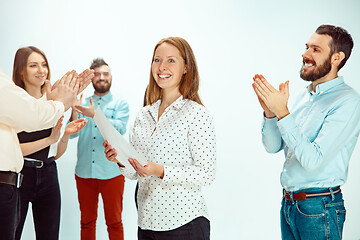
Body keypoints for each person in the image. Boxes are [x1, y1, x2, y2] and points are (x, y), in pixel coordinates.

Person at [252, 25, 360, 239]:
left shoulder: (347, 101)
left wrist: (283, 113)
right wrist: (270, 113)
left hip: (319, 208)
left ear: (337, 57)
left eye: (315, 49)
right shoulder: (304, 96)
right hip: (290, 205)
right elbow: (273, 147)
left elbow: (312, 160)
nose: (305, 54)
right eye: (306, 47)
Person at [103, 37, 216, 240]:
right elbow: (135, 173)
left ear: (186, 68)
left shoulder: (197, 114)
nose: (162, 67)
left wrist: (160, 171)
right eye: (157, 60)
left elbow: (206, 174)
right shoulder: (143, 115)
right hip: (147, 223)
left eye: (171, 60)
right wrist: (119, 158)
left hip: (184, 223)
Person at [0, 60, 92, 239]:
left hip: (48, 172)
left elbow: (54, 150)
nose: (41, 70)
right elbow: (32, 116)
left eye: (44, 64)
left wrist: (61, 134)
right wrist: (59, 103)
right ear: (21, 72)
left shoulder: (37, 106)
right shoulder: (20, 104)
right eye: (33, 65)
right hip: (20, 175)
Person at [70, 58, 129, 240]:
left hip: (112, 173)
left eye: (105, 73)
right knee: (86, 222)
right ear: (92, 78)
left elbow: (119, 129)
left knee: (114, 222)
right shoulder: (82, 103)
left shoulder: (120, 105)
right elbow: (71, 134)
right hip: (84, 173)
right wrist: (74, 109)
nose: (101, 77)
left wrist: (95, 114)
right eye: (97, 74)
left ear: (111, 77)